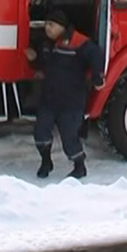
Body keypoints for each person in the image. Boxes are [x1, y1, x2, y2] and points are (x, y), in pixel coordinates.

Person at [25, 9, 105, 179]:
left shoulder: (79, 42)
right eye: (46, 24)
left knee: (70, 137)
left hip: (72, 101)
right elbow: (43, 65)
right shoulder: (46, 44)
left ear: (62, 26)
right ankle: (46, 162)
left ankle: (79, 166)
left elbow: (97, 55)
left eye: (51, 25)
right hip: (50, 99)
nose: (47, 28)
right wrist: (33, 59)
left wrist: (98, 76)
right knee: (41, 133)